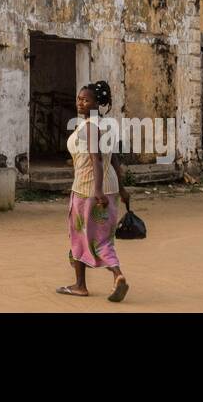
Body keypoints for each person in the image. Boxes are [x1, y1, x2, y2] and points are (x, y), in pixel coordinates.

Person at [56, 81, 131, 302]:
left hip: (87, 190)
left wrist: (96, 190)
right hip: (110, 189)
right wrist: (123, 189)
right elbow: (114, 159)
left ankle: (80, 285)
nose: (80, 102)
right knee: (103, 239)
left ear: (98, 104)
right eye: (79, 98)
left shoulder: (89, 126)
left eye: (86, 100)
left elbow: (96, 159)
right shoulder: (108, 125)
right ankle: (118, 275)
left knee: (79, 236)